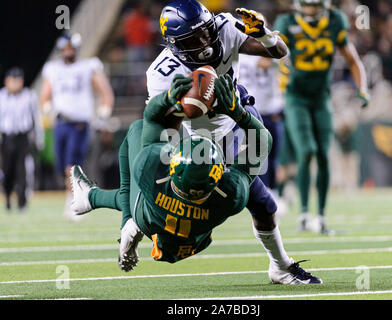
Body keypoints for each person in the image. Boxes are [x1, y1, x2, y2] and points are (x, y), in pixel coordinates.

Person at [70, 73, 322, 284]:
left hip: (153, 222)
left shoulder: (152, 169)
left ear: (172, 168)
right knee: (262, 199)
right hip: (196, 242)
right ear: (219, 174)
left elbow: (150, 118)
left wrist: (168, 100)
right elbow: (262, 141)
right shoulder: (230, 194)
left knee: (136, 131)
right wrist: (239, 114)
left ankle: (122, 218)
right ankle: (96, 201)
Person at [144, 0, 298, 283]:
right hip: (196, 144)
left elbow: (280, 51)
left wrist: (264, 33)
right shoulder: (161, 73)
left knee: (263, 204)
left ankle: (280, 265)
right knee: (183, 229)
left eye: (206, 30)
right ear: (176, 43)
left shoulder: (225, 27)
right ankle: (131, 228)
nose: (205, 40)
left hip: (237, 123)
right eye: (195, 37)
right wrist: (190, 105)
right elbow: (162, 123)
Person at [274, 0, 369, 234]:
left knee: (324, 155)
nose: (310, 10)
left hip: (321, 98)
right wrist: (280, 68)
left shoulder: (335, 21)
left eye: (314, 5)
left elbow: (353, 60)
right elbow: (275, 53)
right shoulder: (286, 22)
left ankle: (321, 217)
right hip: (296, 98)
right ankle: (305, 214)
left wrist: (363, 89)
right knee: (306, 151)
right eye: (307, 5)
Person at [40, 33, 114, 220]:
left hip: (79, 123)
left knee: (71, 165)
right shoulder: (53, 69)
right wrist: (47, 107)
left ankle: (74, 201)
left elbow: (105, 92)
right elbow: (45, 95)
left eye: (71, 48)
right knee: (62, 165)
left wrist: (104, 111)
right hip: (60, 123)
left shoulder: (87, 67)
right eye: (65, 49)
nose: (68, 52)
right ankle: (73, 197)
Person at [238, 54, 288, 217]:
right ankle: (264, 195)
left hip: (271, 110)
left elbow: (282, 57)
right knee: (260, 159)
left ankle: (273, 194)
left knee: (273, 158)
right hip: (252, 111)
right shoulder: (242, 51)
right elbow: (263, 63)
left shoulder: (265, 48)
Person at [0, 67, 43, 211]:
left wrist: (39, 139)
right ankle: (7, 198)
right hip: (6, 138)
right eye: (12, 80)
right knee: (7, 170)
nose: (15, 83)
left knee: (22, 170)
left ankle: (22, 202)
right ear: (6, 81)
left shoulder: (29, 96)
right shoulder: (1, 96)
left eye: (17, 80)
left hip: (22, 138)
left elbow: (36, 119)